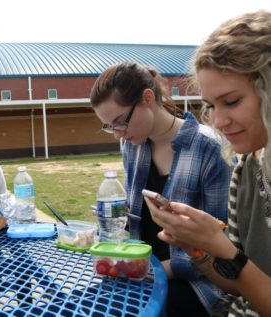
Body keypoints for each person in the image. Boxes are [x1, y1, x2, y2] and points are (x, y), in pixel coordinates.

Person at [147, 10, 271, 317]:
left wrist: (225, 249)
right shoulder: (244, 169)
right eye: (211, 105)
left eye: (231, 101)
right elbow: (238, 284)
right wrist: (198, 248)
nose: (218, 121)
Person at [90, 61, 232, 316]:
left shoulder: (209, 148)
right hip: (139, 272)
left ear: (147, 98)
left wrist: (145, 270)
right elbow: (138, 221)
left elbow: (223, 246)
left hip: (197, 284)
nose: (117, 134)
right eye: (109, 126)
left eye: (120, 122)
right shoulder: (132, 145)